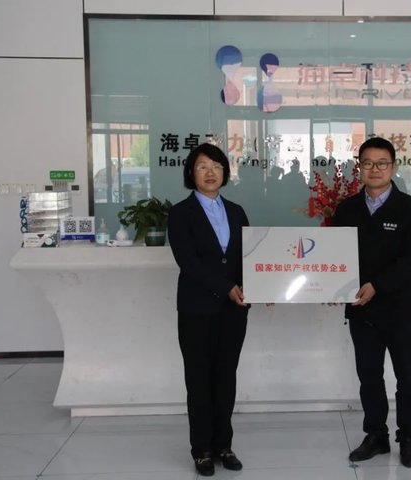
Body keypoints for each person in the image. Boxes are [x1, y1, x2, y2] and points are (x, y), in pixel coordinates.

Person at [332, 137, 411, 468]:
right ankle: (376, 435)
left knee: (406, 375)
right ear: (359, 167)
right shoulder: (346, 209)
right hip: (362, 309)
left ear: (393, 167)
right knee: (369, 376)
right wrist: (331, 288)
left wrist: (378, 285)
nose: (375, 169)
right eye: (368, 163)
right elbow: (335, 257)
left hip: (401, 310)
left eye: (382, 163)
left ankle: (408, 437)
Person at [167, 143, 250, 477]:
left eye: (216, 166)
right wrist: (226, 287)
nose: (210, 172)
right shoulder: (180, 213)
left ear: (225, 172)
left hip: (234, 312)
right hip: (197, 310)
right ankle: (201, 449)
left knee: (226, 378)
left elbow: (247, 258)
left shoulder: (237, 211)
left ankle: (223, 445)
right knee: (199, 380)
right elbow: (188, 261)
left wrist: (260, 286)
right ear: (191, 173)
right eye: (202, 166)